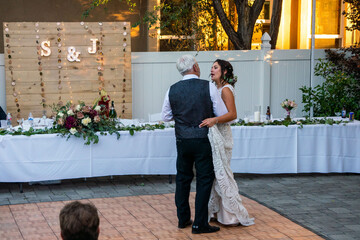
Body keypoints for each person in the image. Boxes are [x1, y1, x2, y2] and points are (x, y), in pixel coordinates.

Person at [161, 55, 227, 234]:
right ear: (196, 67)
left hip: (182, 140)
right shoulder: (208, 86)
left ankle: (183, 219)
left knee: (182, 179)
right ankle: (199, 223)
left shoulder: (172, 89)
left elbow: (165, 117)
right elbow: (221, 112)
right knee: (204, 179)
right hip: (202, 139)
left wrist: (182, 116)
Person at [199, 59, 255, 226]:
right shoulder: (215, 88)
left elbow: (232, 114)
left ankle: (232, 215)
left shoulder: (225, 90)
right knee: (216, 175)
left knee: (222, 174)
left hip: (223, 135)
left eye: (215, 67)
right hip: (215, 135)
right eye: (211, 67)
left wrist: (214, 120)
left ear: (224, 71)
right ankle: (218, 213)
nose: (211, 70)